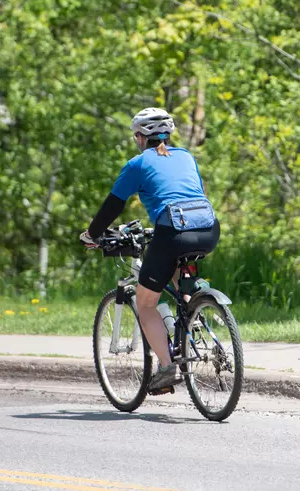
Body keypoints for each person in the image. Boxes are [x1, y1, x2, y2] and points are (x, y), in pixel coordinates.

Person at [80, 107, 221, 391]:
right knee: (178, 277)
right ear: (168, 134)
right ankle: (194, 305)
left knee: (146, 304)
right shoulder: (186, 156)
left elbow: (113, 205)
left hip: (172, 230)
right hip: (208, 228)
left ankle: (168, 368)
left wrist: (92, 235)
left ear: (140, 136)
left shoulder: (138, 164)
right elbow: (192, 194)